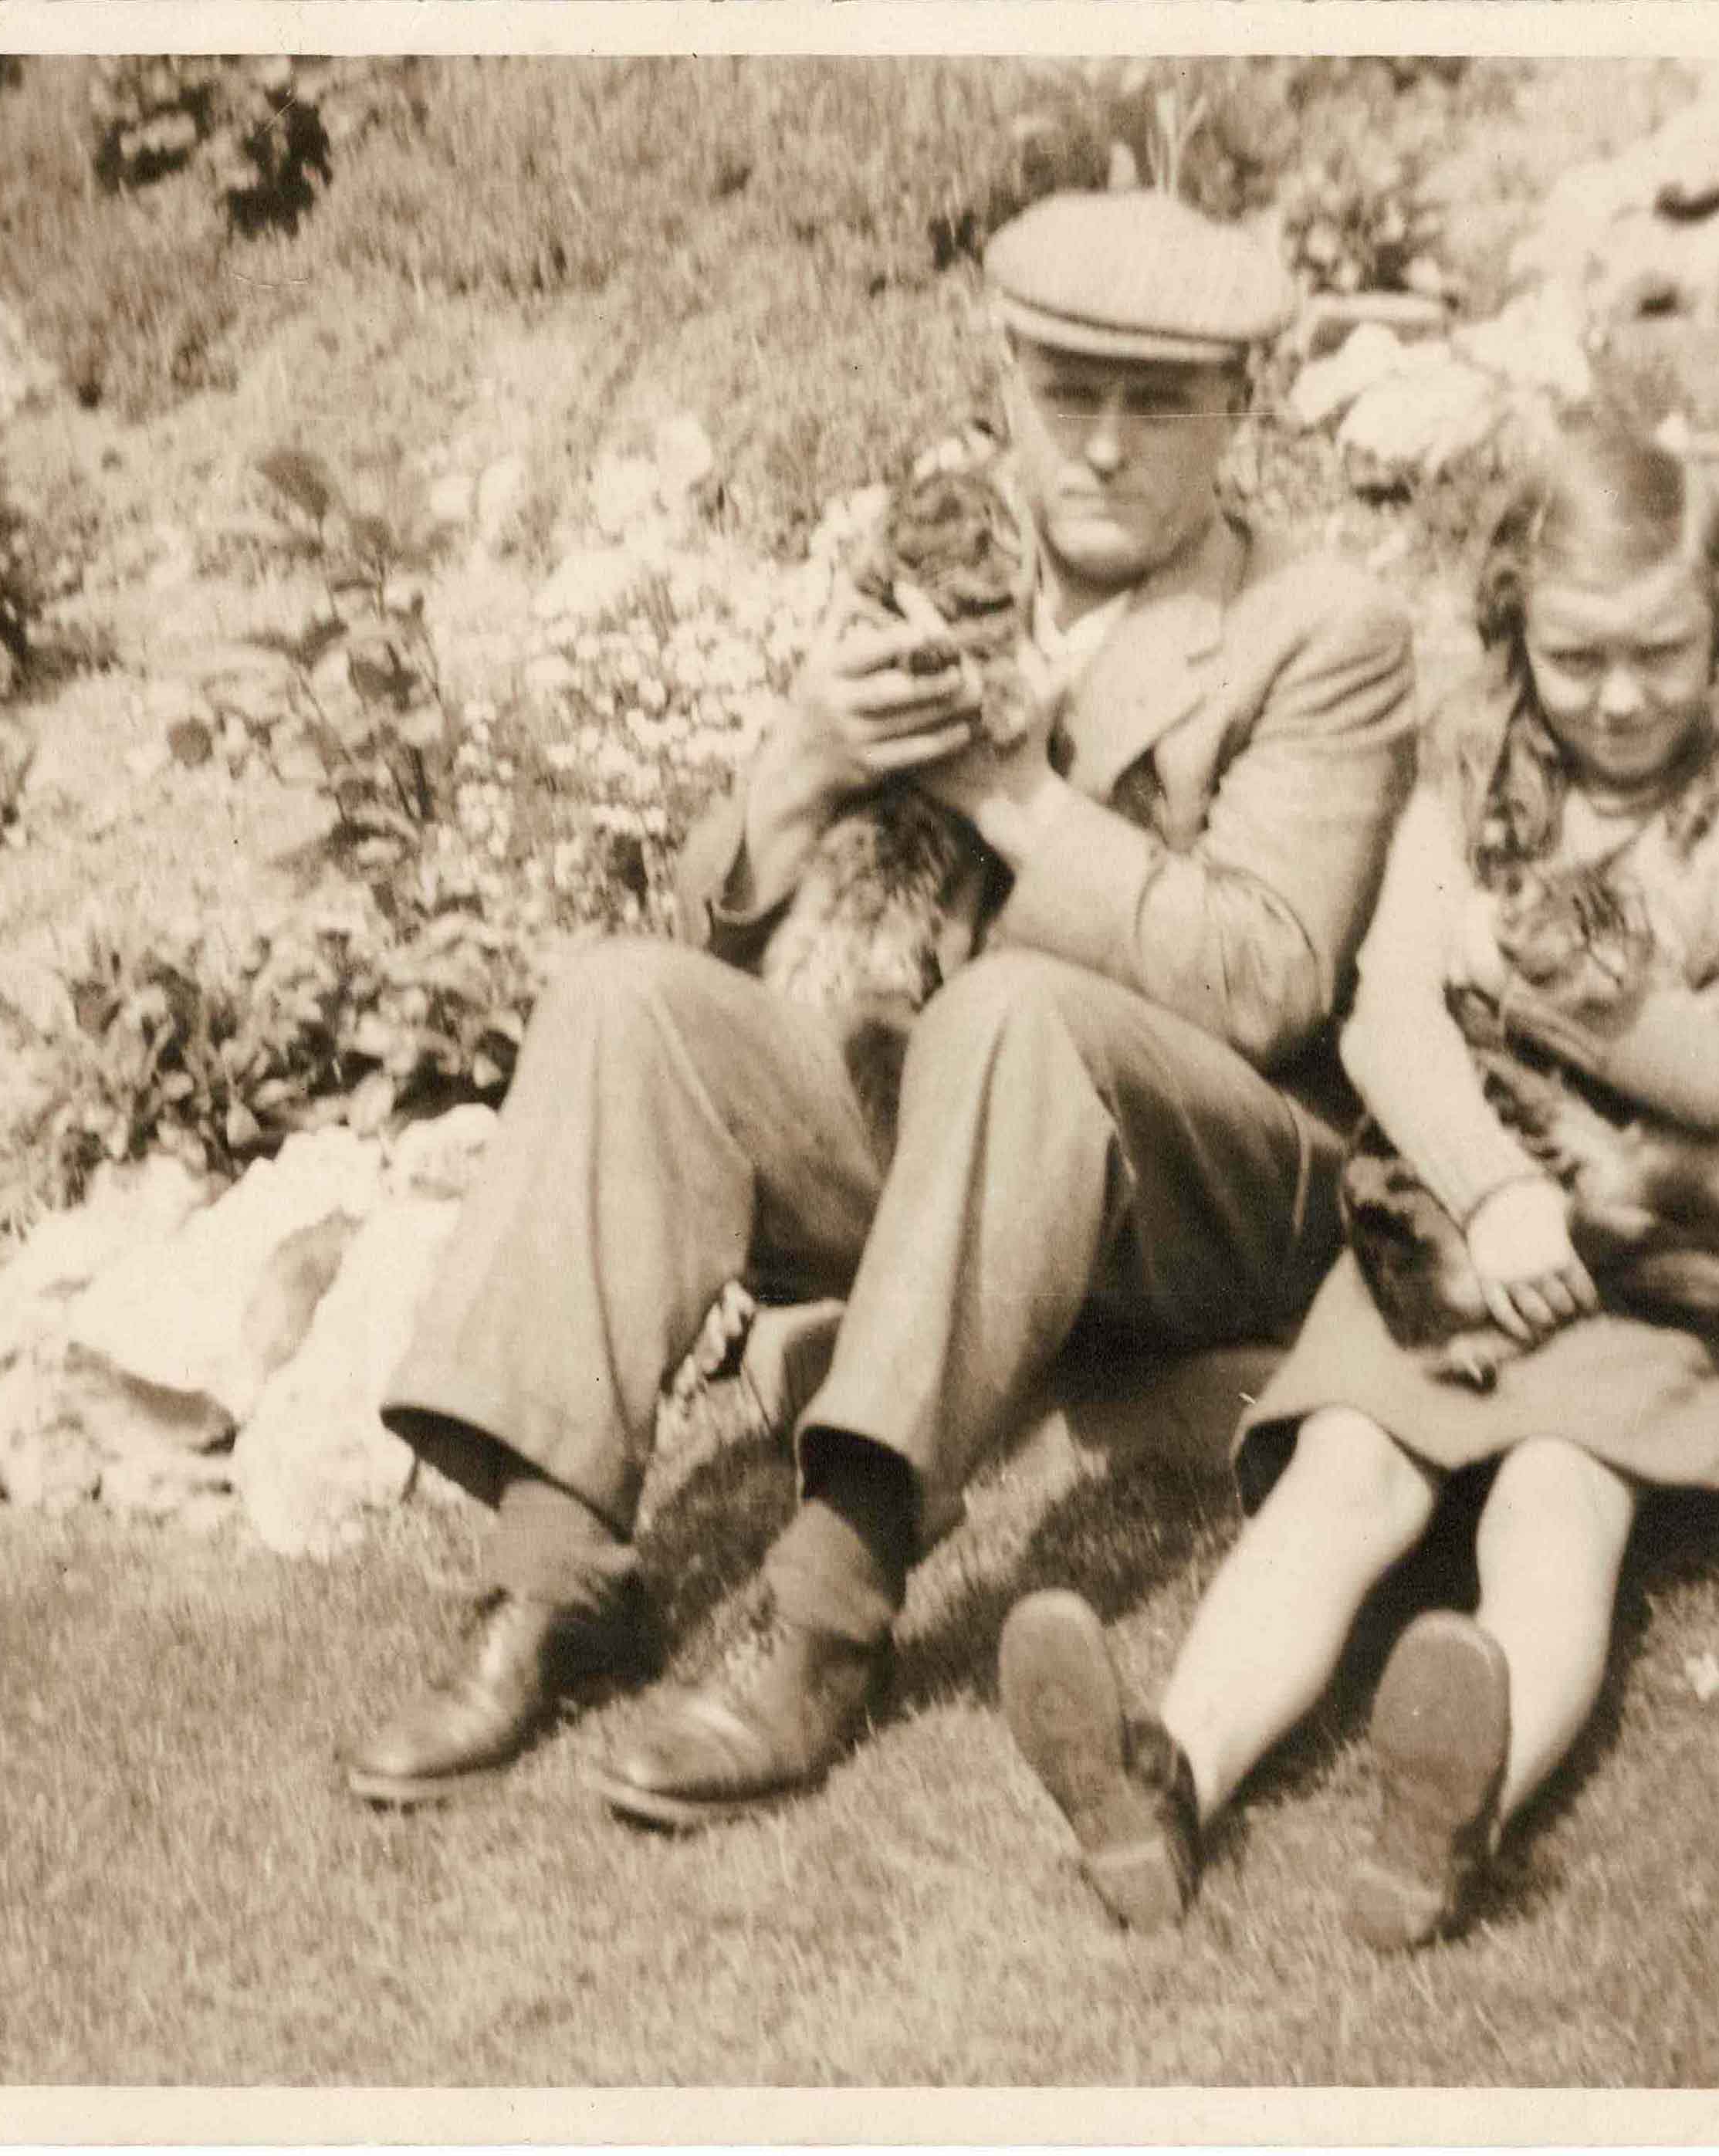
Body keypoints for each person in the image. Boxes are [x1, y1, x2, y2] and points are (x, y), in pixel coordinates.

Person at [343, 190, 1422, 1827]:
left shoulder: (1316, 629)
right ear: (1002, 382)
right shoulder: (924, 565)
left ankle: (828, 1615)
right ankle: (556, 1580)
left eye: (1159, 403)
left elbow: (1265, 981)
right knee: (620, 995)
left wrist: (1010, 796)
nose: (1107, 448)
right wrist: (799, 765)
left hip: (1211, 1190)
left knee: (1011, 1012)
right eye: (1068, 395)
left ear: (1238, 410)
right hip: (955, 1155)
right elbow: (704, 933)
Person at [994, 415, 1719, 1947]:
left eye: (1658, 654)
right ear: (1515, 636)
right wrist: (1485, 1190)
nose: (1617, 696)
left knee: (1552, 1495)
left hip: (1669, 1246)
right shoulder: (1461, 787)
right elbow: (1388, 1011)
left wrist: (1532, 986)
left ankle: (1453, 1804)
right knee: (1342, 1473)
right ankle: (1163, 1772)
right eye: (1574, 657)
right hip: (1454, 1233)